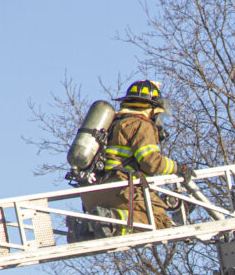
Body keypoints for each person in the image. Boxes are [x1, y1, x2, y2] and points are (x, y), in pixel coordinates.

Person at [79, 80, 193, 234]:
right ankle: (112, 221)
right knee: (159, 221)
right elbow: (150, 162)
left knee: (147, 211)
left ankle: (84, 230)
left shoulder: (112, 124)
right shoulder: (140, 124)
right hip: (119, 190)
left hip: (92, 194)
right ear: (151, 109)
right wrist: (179, 168)